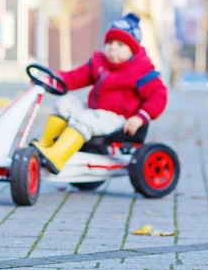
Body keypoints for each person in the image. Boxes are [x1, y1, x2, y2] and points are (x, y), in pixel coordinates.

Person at [32, 12, 168, 174]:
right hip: (96, 113)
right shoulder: (99, 62)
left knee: (86, 119)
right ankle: (46, 146)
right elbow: (76, 77)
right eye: (110, 43)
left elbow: (159, 95)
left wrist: (140, 117)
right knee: (66, 103)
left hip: (119, 119)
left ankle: (56, 156)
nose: (113, 48)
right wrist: (52, 80)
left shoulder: (141, 69)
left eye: (120, 45)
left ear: (132, 50)